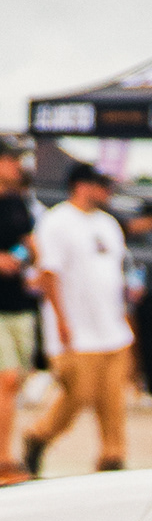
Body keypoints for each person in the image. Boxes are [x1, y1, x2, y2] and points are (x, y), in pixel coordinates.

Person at [24, 163, 136, 478]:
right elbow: (49, 273)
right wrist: (61, 320)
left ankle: (113, 457)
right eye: (101, 186)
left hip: (112, 328)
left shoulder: (108, 224)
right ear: (82, 186)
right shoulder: (57, 222)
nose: (107, 192)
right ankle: (39, 435)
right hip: (76, 330)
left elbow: (116, 274)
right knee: (78, 394)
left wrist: (126, 316)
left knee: (113, 400)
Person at [0, 146, 40, 482]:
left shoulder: (17, 202)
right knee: (7, 378)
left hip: (18, 302)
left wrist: (26, 257)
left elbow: (29, 243)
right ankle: (4, 458)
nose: (18, 166)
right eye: (12, 159)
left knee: (16, 382)